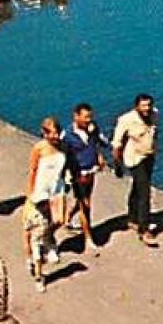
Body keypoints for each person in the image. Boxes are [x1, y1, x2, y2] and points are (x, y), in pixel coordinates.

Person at [23, 117, 69, 292]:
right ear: (45, 133)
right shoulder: (39, 149)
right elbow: (33, 171)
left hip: (57, 187)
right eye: (52, 133)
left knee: (60, 220)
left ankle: (49, 238)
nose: (56, 136)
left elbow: (63, 167)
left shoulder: (63, 147)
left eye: (57, 133)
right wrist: (30, 194)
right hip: (41, 190)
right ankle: (35, 260)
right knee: (33, 229)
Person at [112, 93, 160, 247]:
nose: (147, 109)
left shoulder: (155, 114)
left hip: (149, 156)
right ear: (136, 106)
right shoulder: (126, 120)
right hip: (134, 159)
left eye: (149, 105)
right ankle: (144, 230)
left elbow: (155, 133)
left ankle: (133, 218)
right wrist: (117, 165)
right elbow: (117, 144)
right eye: (143, 106)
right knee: (144, 192)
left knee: (138, 188)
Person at [60, 103, 108, 254]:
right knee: (85, 205)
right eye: (85, 117)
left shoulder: (93, 129)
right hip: (77, 173)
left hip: (90, 170)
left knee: (84, 199)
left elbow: (102, 143)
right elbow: (63, 156)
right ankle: (88, 238)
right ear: (76, 116)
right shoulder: (67, 135)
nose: (88, 120)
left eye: (90, 117)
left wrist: (99, 155)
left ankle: (67, 217)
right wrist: (66, 174)